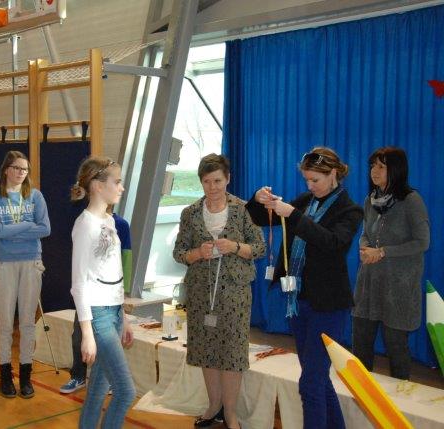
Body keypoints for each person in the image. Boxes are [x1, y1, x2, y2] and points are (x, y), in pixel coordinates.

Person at [245, 147, 363, 429]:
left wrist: (294, 216)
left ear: (333, 174)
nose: (310, 186)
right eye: (307, 180)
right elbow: (260, 219)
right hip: (300, 301)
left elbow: (332, 243)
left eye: (315, 180)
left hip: (329, 305)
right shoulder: (307, 201)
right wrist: (258, 200)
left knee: (310, 383)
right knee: (317, 379)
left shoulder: (350, 210)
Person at [173, 154, 266, 429]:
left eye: (217, 181)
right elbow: (179, 253)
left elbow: (259, 248)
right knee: (206, 350)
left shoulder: (244, 209)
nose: (212, 187)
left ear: (228, 179)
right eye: (206, 182)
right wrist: (197, 253)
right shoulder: (190, 213)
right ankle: (213, 406)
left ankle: (231, 414)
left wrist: (234, 247)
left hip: (235, 294)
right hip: (200, 293)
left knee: (232, 353)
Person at [352, 147, 429, 380]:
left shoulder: (411, 200)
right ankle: (360, 395)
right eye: (372, 166)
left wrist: (383, 252)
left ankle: (400, 398)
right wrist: (364, 248)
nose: (374, 171)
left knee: (396, 348)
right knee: (360, 343)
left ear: (396, 169)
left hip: (398, 288)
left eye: (381, 166)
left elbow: (422, 242)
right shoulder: (370, 200)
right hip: (369, 283)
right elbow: (365, 233)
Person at [70, 156, 135, 428]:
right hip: (98, 316)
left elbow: (114, 273)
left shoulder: (109, 220)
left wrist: (124, 316)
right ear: (98, 186)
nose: (121, 187)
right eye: (116, 182)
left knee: (97, 389)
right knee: (125, 391)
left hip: (114, 313)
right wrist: (87, 334)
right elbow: (79, 283)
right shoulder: (84, 225)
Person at [0, 151, 51, 398]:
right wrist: (27, 225)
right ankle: (5, 375)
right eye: (17, 168)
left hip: (31, 261)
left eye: (25, 169)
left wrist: (11, 230)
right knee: (5, 323)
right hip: (4, 263)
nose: (21, 173)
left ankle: (26, 375)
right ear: (6, 170)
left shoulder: (35, 196)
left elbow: (45, 229)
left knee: (27, 322)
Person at [60, 211, 131, 395]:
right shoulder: (86, 222)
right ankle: (78, 376)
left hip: (110, 298)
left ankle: (108, 380)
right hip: (89, 294)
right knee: (79, 337)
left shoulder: (120, 224)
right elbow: (81, 266)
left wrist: (123, 300)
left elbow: (125, 260)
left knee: (108, 342)